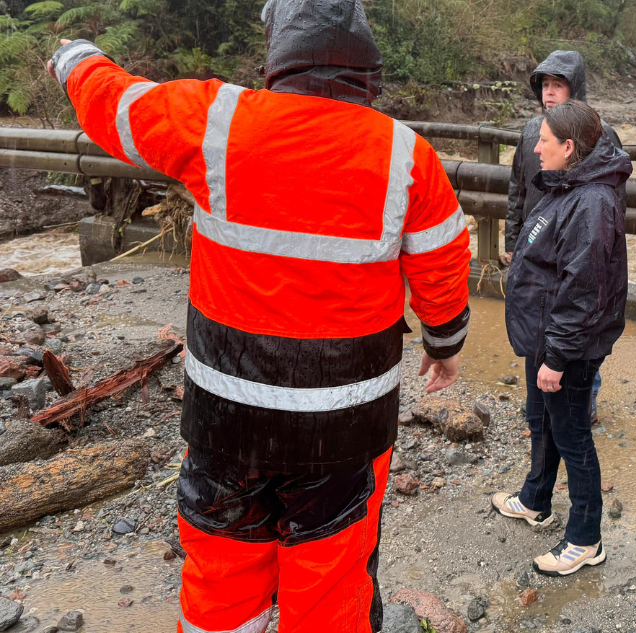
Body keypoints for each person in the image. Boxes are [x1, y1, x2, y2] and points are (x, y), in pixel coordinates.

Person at [47, 1, 473, 630]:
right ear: (365, 65)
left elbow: (117, 104)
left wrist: (74, 58)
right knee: (329, 581)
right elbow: (442, 266)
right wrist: (443, 345)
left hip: (227, 420)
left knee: (221, 578)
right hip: (344, 428)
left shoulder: (217, 120)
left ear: (280, 54)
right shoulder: (405, 155)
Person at [491, 100, 631, 577]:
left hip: (568, 345)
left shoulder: (592, 202)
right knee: (543, 419)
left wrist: (557, 357)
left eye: (544, 141)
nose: (536, 148)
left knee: (572, 435)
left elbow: (583, 289)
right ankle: (536, 499)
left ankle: (586, 538)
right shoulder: (569, 185)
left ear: (569, 147)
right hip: (547, 334)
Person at [504, 50, 624, 425]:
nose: (550, 92)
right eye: (545, 84)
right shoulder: (531, 132)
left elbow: (612, 204)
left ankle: (582, 402)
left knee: (579, 323)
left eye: (558, 84)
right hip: (537, 248)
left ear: (576, 88)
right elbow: (518, 189)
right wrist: (512, 242)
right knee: (538, 325)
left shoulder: (599, 135)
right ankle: (541, 404)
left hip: (576, 249)